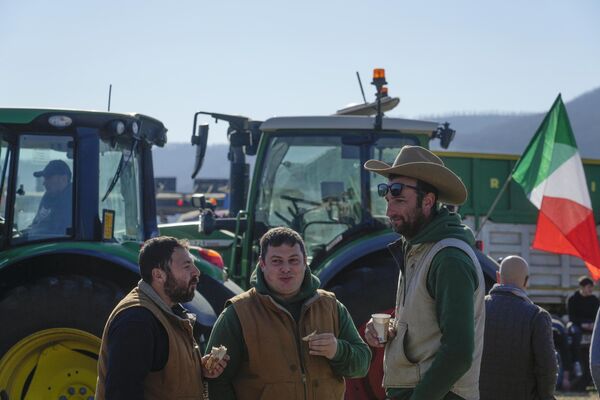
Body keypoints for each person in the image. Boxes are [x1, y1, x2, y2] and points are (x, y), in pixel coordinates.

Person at [363, 145, 485, 400]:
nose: (389, 212)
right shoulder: (416, 249)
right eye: (388, 201)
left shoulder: (449, 258)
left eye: (399, 200)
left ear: (428, 201)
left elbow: (459, 353)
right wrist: (388, 330)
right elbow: (424, 329)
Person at [205, 226, 371, 399]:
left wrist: (337, 350)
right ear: (262, 264)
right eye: (277, 261)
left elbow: (363, 364)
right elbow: (216, 380)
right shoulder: (237, 314)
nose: (286, 268)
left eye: (293, 260)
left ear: (305, 261)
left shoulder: (331, 306)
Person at [95, 236, 228, 400]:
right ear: (158, 275)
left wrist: (198, 370)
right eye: (187, 266)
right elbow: (122, 394)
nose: (196, 272)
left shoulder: (169, 312)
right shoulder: (136, 322)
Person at [479, 255, 557, 399]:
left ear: (498, 277)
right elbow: (547, 368)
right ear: (526, 281)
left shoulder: (476, 309)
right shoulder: (537, 316)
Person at [567, 275, 599, 381]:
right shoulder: (572, 299)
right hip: (577, 325)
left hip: (591, 325)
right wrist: (582, 324)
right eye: (589, 287)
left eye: (591, 287)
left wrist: (592, 324)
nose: (591, 289)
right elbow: (571, 317)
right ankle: (576, 362)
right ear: (582, 287)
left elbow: (596, 316)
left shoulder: (594, 300)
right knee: (575, 333)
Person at [29, 159, 73, 235]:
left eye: (48, 178)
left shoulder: (71, 202)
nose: (44, 183)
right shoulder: (48, 197)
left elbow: (58, 233)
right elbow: (36, 224)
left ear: (63, 179)